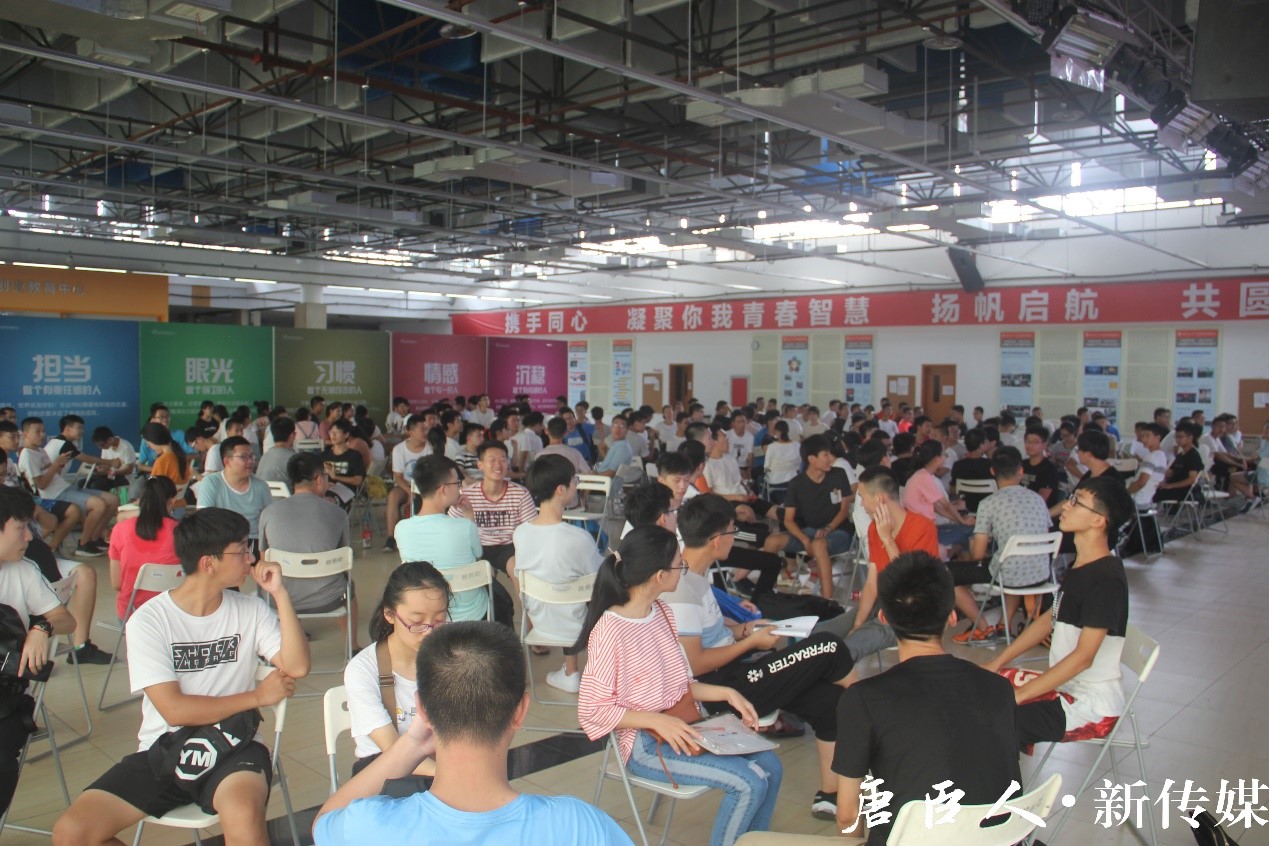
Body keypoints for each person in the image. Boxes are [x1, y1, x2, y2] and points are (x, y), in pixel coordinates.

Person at [52, 507, 309, 846]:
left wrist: (280, 594)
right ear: (208, 563)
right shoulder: (149, 621)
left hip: (235, 747)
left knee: (243, 815)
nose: (251, 559)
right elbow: (174, 710)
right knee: (71, 833)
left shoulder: (250, 610)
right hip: (165, 749)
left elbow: (297, 666)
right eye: (242, 551)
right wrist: (258, 697)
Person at [317, 620, 631, 845]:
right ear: (520, 711)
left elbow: (324, 822)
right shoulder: (579, 826)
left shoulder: (370, 826)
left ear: (422, 709)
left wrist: (411, 744)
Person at [576, 526, 780, 846]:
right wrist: (656, 720)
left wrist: (728, 693)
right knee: (748, 783)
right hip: (645, 745)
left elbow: (680, 684)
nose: (683, 569)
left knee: (771, 767)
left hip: (682, 724)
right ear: (660, 576)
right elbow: (592, 709)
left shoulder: (662, 613)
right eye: (678, 565)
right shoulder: (610, 630)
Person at [669, 495, 856, 820]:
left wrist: (744, 630)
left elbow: (710, 631)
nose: (734, 538)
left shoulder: (695, 576)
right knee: (827, 645)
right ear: (716, 540)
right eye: (732, 531)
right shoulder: (681, 589)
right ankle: (875, 715)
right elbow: (695, 665)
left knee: (830, 702)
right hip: (720, 689)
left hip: (737, 670)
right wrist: (751, 642)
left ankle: (830, 796)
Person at [821, 551, 1022, 846]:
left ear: (884, 618)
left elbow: (847, 815)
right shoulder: (999, 687)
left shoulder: (863, 699)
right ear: (952, 616)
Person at [984, 476, 1134, 752]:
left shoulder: (1107, 579)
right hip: (1067, 687)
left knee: (993, 721)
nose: (1066, 505)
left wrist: (1020, 695)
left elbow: (1083, 658)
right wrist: (998, 661)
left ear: (1098, 520)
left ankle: (995, 774)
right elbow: (1048, 620)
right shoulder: (1082, 565)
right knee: (980, 686)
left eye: (1077, 502)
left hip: (1090, 705)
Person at [0, 487, 77, 818]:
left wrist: (41, 627)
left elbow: (66, 619)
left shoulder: (23, 571)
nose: (29, 537)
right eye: (20, 528)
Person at [343, 561, 449, 781]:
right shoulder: (363, 670)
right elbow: (394, 752)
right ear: (389, 614)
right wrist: (452, 777)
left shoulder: (452, 658)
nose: (429, 632)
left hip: (443, 767)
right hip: (388, 774)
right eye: (417, 622)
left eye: (439, 620)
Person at [821, 467, 940, 663]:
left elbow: (911, 583)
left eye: (862, 497)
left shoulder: (923, 528)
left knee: (846, 649)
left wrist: (888, 539)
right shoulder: (874, 528)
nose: (861, 504)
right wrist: (857, 623)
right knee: (818, 637)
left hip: (912, 612)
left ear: (879, 499)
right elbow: (872, 582)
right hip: (883, 603)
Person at [509, 454, 603, 693]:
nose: (577, 485)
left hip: (540, 623)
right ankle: (599, 671)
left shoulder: (520, 533)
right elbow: (601, 577)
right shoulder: (579, 538)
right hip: (579, 626)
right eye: (574, 480)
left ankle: (571, 672)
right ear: (561, 490)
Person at [951, 447, 1056, 644]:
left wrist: (974, 545)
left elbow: (978, 555)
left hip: (1009, 575)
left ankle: (983, 628)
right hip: (1041, 573)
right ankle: (1002, 625)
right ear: (1021, 471)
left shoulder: (989, 503)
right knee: (1008, 561)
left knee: (947, 573)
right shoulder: (1038, 499)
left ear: (992, 471)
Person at [259, 452, 359, 652]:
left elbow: (264, 561)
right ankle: (352, 647)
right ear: (319, 479)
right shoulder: (338, 513)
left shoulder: (269, 513)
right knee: (349, 586)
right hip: (329, 600)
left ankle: (284, 642)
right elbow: (344, 561)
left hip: (280, 600)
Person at [396, 456, 511, 625]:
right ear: (443, 490)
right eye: (457, 484)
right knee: (502, 599)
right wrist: (469, 516)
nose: (460, 489)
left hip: (426, 614)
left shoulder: (401, 528)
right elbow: (478, 554)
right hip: (472, 612)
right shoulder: (464, 526)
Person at [19, 417, 116, 558]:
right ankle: (84, 543)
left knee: (113, 500)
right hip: (53, 494)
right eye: (37, 431)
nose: (42, 434)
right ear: (25, 434)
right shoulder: (28, 454)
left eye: (43, 431)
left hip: (64, 487)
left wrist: (57, 466)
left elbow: (54, 474)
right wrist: (56, 464)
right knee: (99, 505)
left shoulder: (40, 450)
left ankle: (95, 537)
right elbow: (42, 485)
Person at [448, 441, 536, 578]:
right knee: (483, 575)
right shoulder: (467, 495)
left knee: (518, 572)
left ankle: (519, 593)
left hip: (509, 547)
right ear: (480, 465)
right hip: (477, 547)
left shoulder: (520, 494)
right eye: (492, 460)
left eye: (503, 460)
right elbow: (451, 526)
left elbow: (531, 529)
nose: (498, 465)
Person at [782, 434, 853, 597]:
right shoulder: (796, 483)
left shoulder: (838, 474)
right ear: (812, 460)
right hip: (811, 532)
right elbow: (788, 520)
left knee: (819, 545)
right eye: (826, 455)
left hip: (840, 531)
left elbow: (844, 510)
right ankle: (764, 593)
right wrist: (805, 539)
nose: (830, 458)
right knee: (772, 541)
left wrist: (828, 529)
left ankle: (827, 601)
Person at [107, 476, 181, 622]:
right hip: (175, 614)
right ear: (172, 501)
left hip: (133, 615)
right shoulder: (182, 531)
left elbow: (117, 583)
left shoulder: (120, 529)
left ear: (140, 500)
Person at [195, 436, 273, 548]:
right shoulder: (211, 482)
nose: (250, 461)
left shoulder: (261, 486)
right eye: (243, 457)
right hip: (222, 541)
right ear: (227, 461)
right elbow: (204, 519)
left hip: (253, 542)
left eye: (251, 456)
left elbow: (269, 521)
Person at [901, 439, 976, 550]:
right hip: (923, 532)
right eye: (944, 454)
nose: (946, 456)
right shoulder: (924, 477)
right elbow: (945, 505)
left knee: (964, 531)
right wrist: (962, 521)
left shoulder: (922, 475)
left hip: (923, 528)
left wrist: (959, 520)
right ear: (936, 459)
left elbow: (937, 508)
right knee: (971, 531)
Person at [384, 414, 431, 553]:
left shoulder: (429, 448)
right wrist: (410, 491)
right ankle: (391, 537)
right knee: (393, 496)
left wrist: (417, 490)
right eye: (422, 429)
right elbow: (398, 477)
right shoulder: (399, 449)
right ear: (411, 432)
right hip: (404, 486)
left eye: (426, 429)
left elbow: (431, 474)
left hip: (424, 486)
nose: (425, 432)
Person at [1155, 420, 1204, 504]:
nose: (1178, 440)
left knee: (1152, 495)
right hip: (1173, 488)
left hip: (1184, 491)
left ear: (1190, 437)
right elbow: (1169, 472)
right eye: (1176, 437)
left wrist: (1170, 486)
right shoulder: (1181, 455)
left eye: (1181, 437)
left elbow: (1192, 479)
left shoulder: (1193, 456)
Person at [320, 419, 367, 508]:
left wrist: (336, 477)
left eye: (337, 432)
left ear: (346, 435)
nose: (333, 435)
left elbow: (358, 480)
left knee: (328, 501)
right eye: (331, 432)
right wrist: (325, 484)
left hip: (346, 490)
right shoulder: (324, 455)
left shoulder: (354, 456)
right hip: (326, 488)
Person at [141, 421, 192, 491]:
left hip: (164, 498)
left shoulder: (162, 461)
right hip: (180, 498)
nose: (148, 446)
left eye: (148, 443)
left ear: (155, 440)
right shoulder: (181, 457)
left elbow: (153, 490)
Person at [255, 417, 297, 486]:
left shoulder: (265, 456)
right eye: (295, 433)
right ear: (291, 435)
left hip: (263, 492)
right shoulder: (293, 458)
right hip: (286, 493)